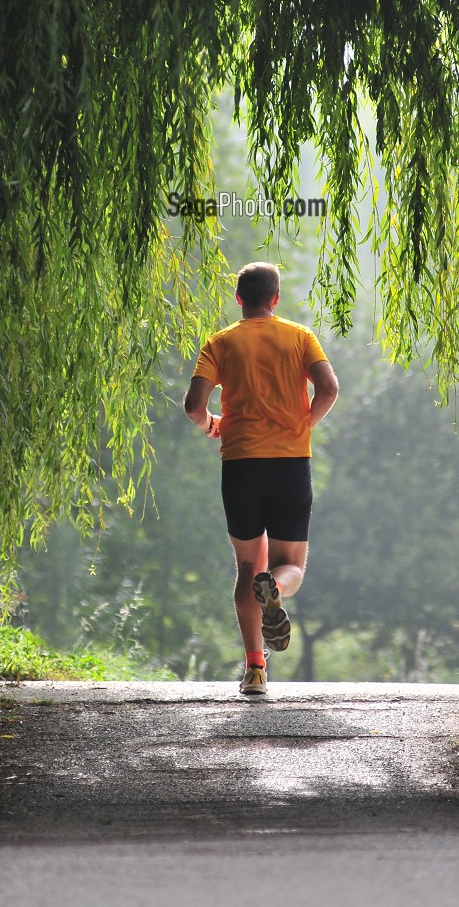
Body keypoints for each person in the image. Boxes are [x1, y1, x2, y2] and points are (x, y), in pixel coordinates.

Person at [183, 262, 339, 696]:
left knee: (249, 566)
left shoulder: (221, 342)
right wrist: (303, 425)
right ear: (275, 299)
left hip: (241, 465)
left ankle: (255, 670)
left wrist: (213, 424)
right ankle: (276, 592)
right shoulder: (300, 337)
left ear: (238, 299)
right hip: (290, 463)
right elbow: (328, 388)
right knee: (289, 566)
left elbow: (194, 405)